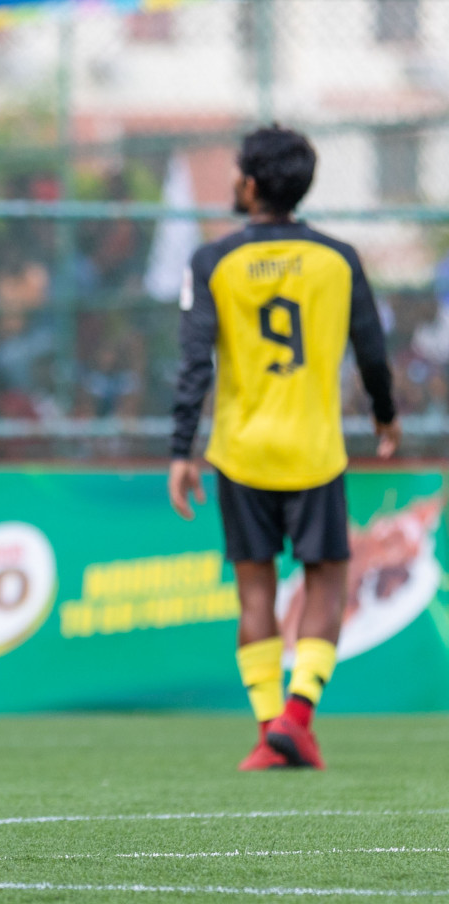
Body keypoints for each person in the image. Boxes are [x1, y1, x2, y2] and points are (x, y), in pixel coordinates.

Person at [168, 125, 399, 772]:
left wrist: (181, 450)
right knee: (329, 584)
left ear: (247, 185)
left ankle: (273, 726)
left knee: (254, 594)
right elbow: (372, 352)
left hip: (240, 451)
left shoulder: (213, 262)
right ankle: (297, 719)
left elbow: (194, 364)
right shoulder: (340, 258)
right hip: (314, 450)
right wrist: (385, 417)